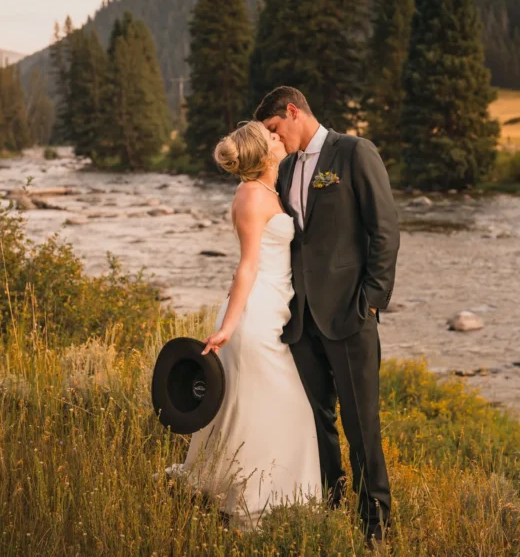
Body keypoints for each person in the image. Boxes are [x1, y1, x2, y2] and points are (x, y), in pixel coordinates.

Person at [253, 86, 400, 544]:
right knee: (316, 421)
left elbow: (386, 231)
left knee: (361, 425)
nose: (274, 141)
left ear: (293, 112)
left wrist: (371, 301)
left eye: (275, 129)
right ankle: (331, 504)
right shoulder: (287, 167)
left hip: (350, 316)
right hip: (301, 321)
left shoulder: (355, 153)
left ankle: (376, 523)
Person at [167, 121, 321, 529]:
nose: (278, 136)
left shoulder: (270, 189)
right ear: (264, 152)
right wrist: (228, 327)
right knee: (277, 406)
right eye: (271, 135)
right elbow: (247, 268)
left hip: (275, 309)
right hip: (254, 316)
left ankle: (246, 489)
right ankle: (254, 501)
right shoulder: (253, 197)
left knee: (253, 405)